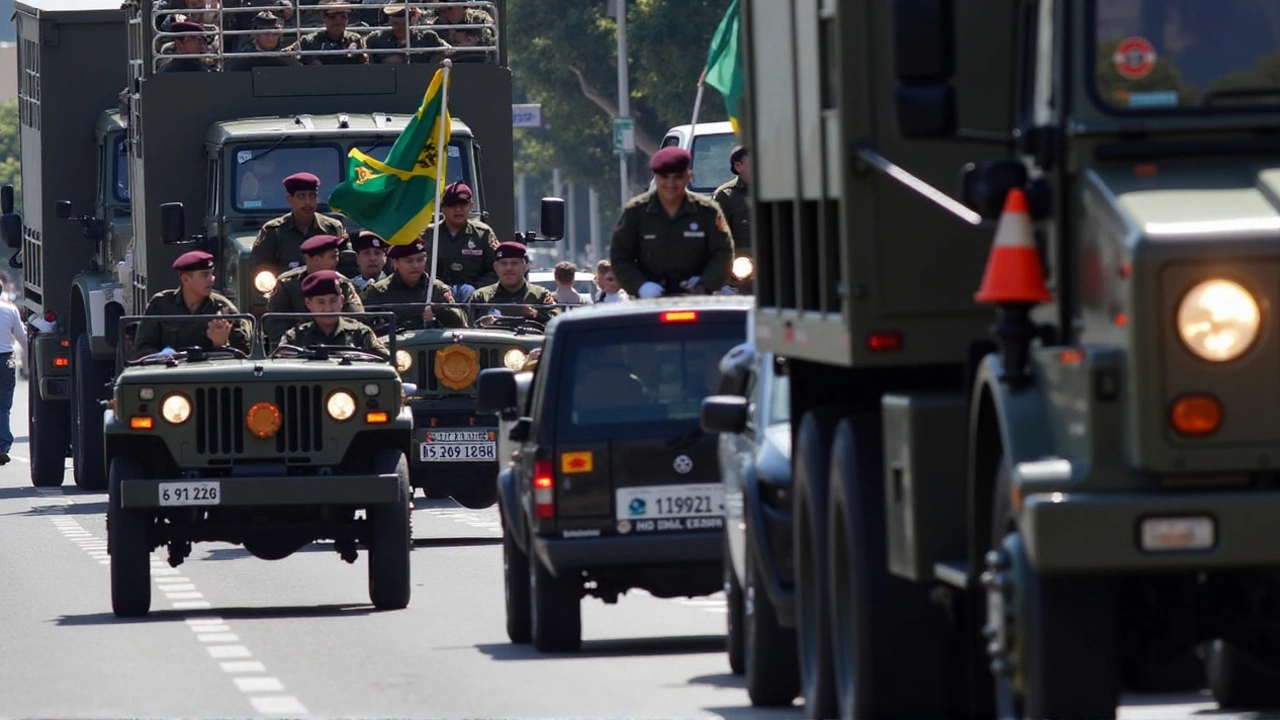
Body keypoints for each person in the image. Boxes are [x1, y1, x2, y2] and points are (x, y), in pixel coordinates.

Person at [609, 146, 734, 298]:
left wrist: (705, 283)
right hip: (649, 301)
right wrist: (640, 286)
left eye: (677, 177)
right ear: (655, 178)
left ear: (689, 177)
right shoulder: (635, 212)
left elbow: (723, 253)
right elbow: (620, 256)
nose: (671, 183)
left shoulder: (707, 211)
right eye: (664, 177)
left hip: (697, 299)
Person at [132, 250, 252, 359]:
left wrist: (221, 344)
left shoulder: (224, 309)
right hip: (168, 376)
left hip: (211, 378)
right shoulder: (160, 305)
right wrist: (163, 356)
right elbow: (142, 349)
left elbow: (245, 354)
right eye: (205, 275)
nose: (212, 279)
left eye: (212, 274)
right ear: (186, 279)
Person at [249, 171, 356, 282]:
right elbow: (260, 268)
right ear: (290, 200)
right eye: (301, 196)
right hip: (287, 295)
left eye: (312, 196)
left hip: (326, 293)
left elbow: (348, 263)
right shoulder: (274, 231)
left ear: (317, 199)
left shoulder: (333, 228)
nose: (307, 202)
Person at [266, 234, 364, 342]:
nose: (337, 261)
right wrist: (292, 342)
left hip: (340, 346)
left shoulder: (342, 284)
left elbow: (357, 317)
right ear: (317, 259)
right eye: (333, 256)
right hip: (298, 349)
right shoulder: (287, 284)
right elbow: (274, 323)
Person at [278, 270, 390, 360]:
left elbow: (386, 360)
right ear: (308, 304)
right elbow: (280, 369)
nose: (328, 308)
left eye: (333, 301)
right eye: (320, 302)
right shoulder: (294, 338)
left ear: (342, 300)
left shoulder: (360, 333)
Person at [418, 181, 499, 301]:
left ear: (471, 205)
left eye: (463, 204)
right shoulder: (428, 235)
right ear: (443, 208)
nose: (458, 209)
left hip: (474, 299)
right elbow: (416, 269)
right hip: (435, 297)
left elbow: (496, 270)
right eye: (451, 205)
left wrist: (477, 290)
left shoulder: (483, 234)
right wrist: (439, 288)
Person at [363, 239, 468, 330]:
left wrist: (440, 310)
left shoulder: (436, 288)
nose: (416, 266)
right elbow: (365, 324)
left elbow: (461, 322)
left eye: (420, 260)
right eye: (409, 261)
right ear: (395, 263)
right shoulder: (379, 291)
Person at [468, 241, 558, 326]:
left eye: (514, 263)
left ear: (525, 266)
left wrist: (536, 315)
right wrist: (482, 323)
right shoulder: (481, 296)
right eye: (503, 263)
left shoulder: (541, 295)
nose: (509, 268)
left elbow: (557, 321)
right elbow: (468, 327)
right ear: (495, 267)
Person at [362, 0, 450, 64]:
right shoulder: (376, 38)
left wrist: (434, 61)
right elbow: (365, 60)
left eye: (402, 16)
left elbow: (448, 51)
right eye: (393, 17)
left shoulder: (428, 37)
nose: (397, 23)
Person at [284, 0, 367, 65]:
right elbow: (286, 55)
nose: (338, 21)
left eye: (343, 17)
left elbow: (365, 64)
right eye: (333, 17)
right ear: (323, 18)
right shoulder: (309, 41)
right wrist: (308, 62)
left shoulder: (354, 39)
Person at [0, 277, 27, 465]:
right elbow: (22, 338)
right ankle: (2, 445)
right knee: (3, 406)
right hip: (4, 360)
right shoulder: (9, 310)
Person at [225, 11, 299, 71]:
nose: (271, 38)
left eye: (275, 34)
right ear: (256, 35)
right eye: (266, 34)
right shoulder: (242, 60)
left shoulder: (285, 60)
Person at [713, 146, 751, 253]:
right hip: (742, 262)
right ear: (738, 166)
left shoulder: (775, 191)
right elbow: (718, 236)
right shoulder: (726, 195)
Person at [350, 230, 390, 294]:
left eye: (377, 253)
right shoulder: (349, 288)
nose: (372, 258)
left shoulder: (394, 286)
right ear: (357, 258)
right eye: (366, 253)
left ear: (385, 258)